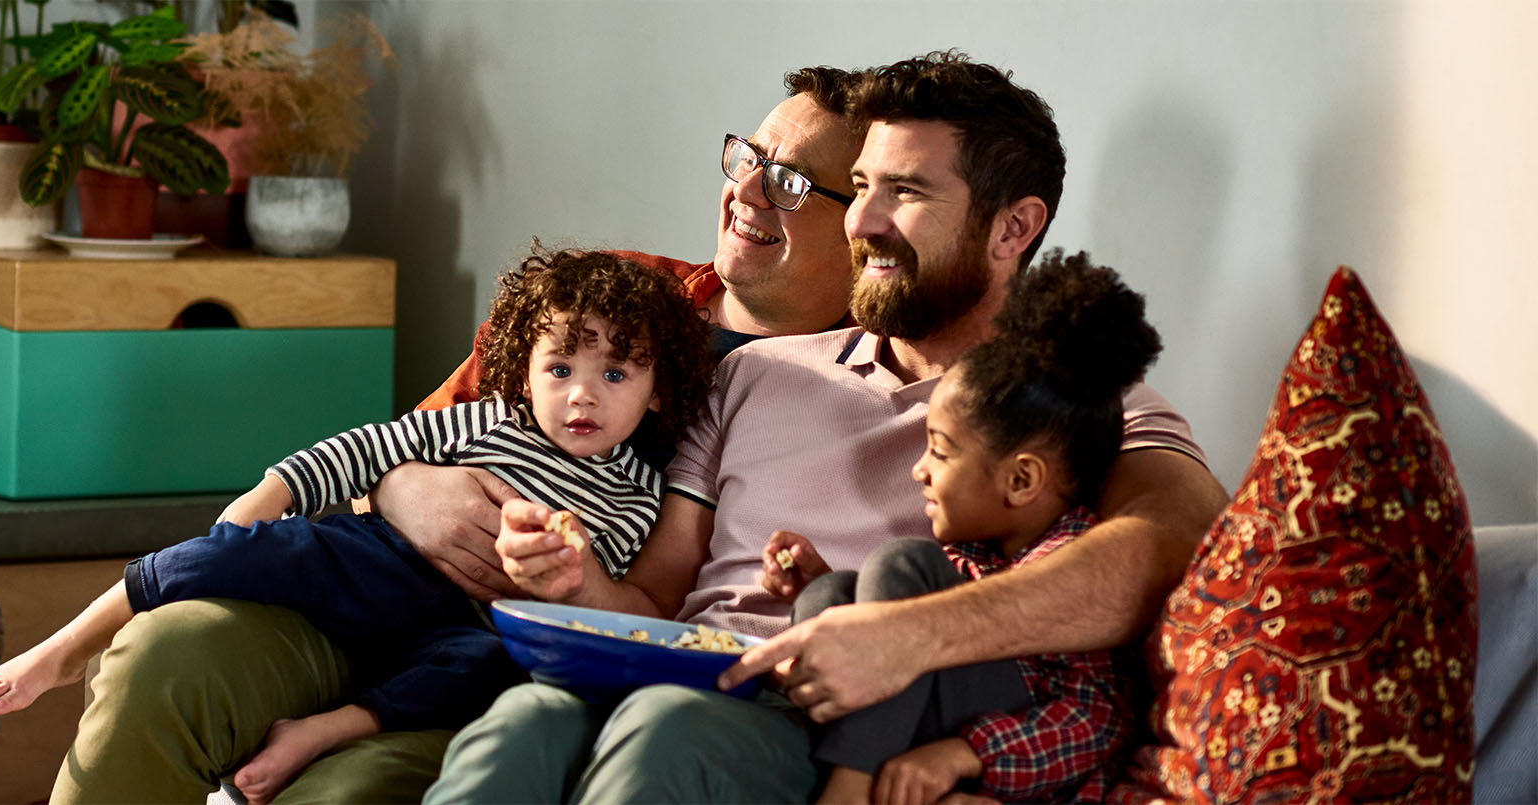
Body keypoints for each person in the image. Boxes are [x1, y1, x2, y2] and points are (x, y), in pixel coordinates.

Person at [47, 65, 870, 804]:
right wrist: (413, 490)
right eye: (749, 158)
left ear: (864, 220)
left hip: (504, 671)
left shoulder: (859, 394)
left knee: (349, 788)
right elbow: (398, 446)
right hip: (372, 586)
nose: (749, 193)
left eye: (792, 182)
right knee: (166, 651)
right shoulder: (610, 296)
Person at [424, 50, 1227, 803]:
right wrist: (576, 581)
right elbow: (659, 598)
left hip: (835, 725)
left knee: (665, 730)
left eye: (906, 193)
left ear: (1012, 229)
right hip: (686, 673)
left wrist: (899, 636)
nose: (862, 221)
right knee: (522, 724)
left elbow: (1172, 541)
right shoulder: (754, 370)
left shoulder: (1074, 406)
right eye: (863, 185)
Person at [0, 248, 710, 804]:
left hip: (466, 622)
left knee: (487, 672)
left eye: (616, 375)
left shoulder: (642, 497)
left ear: (654, 393)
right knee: (225, 556)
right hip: (375, 561)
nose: (583, 394)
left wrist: (560, 571)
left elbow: (593, 595)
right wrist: (265, 501)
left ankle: (329, 729)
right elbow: (363, 451)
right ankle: (69, 646)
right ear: (523, 372)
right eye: (560, 370)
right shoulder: (490, 419)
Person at [769, 250, 1160, 804]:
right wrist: (814, 581)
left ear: (1021, 480)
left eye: (941, 452)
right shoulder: (976, 553)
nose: (919, 470)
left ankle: (850, 786)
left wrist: (966, 752)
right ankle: (854, 757)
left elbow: (1098, 719)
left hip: (1013, 763)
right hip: (930, 727)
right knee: (833, 594)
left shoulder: (1073, 559)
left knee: (902, 565)